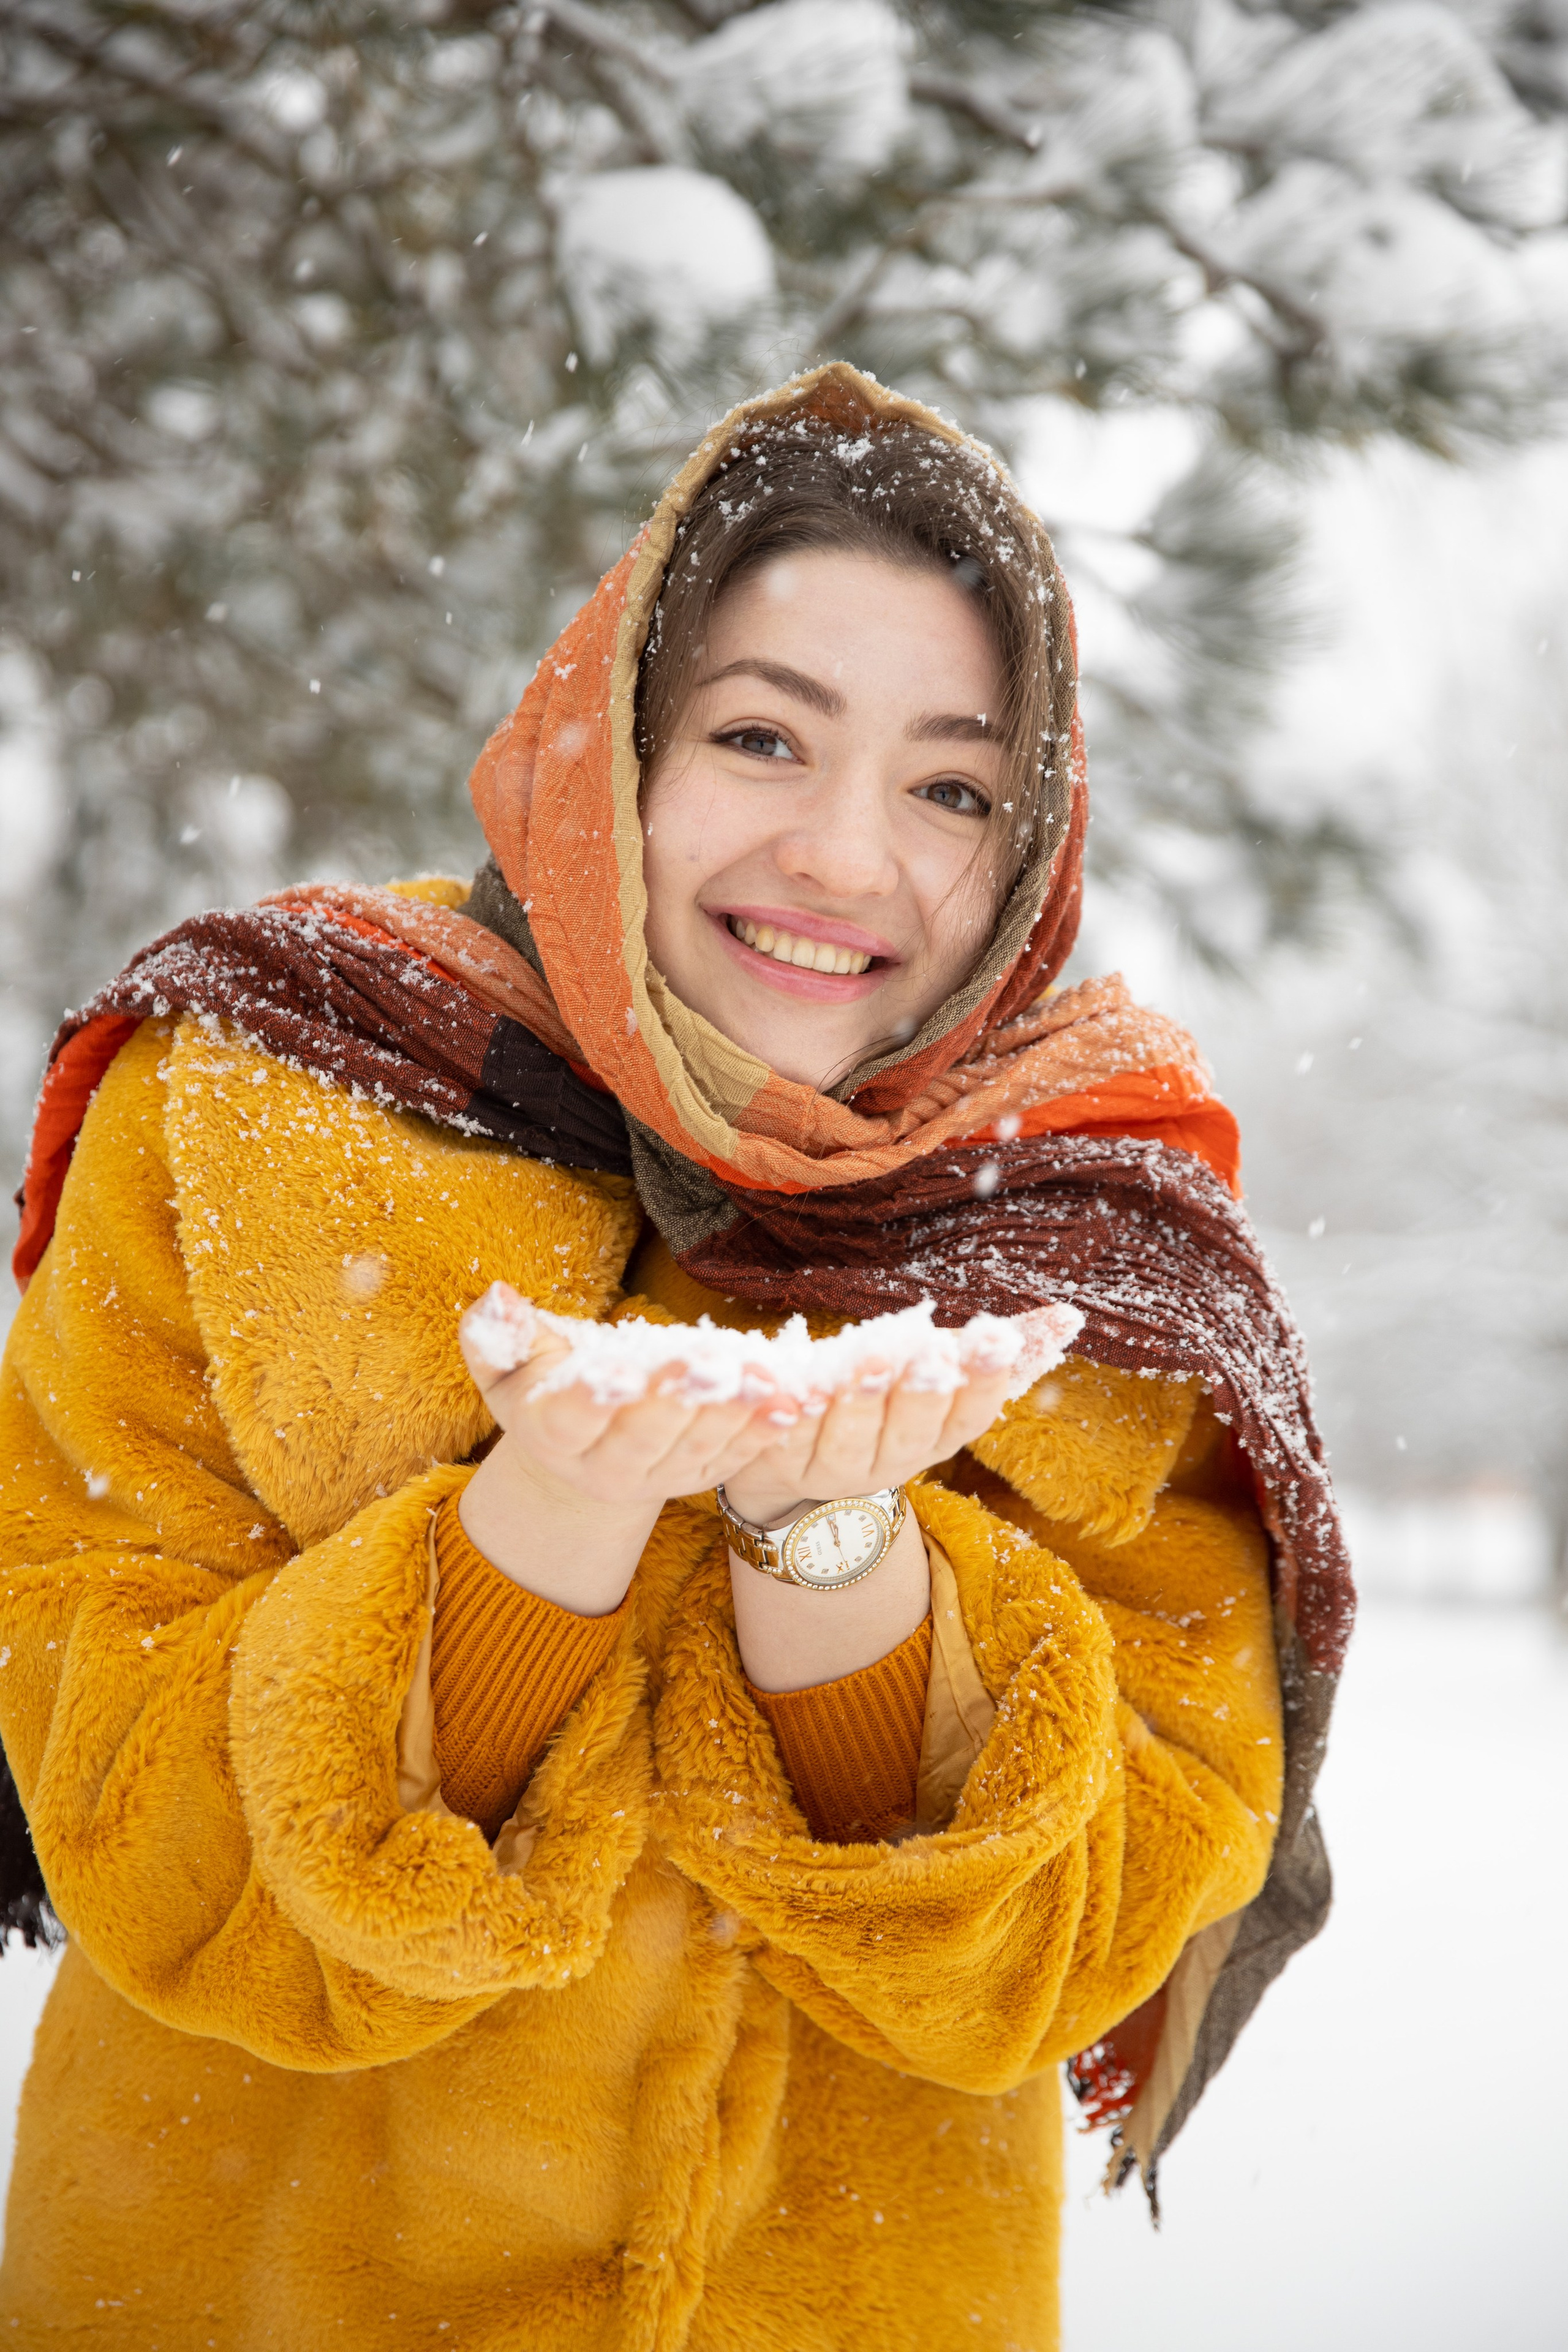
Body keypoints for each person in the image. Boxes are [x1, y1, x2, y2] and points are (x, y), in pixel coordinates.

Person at [0, 364, 1351, 2348]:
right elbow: (137, 1830)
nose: (843, 855)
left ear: (1033, 837)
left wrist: (846, 1565)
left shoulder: (1099, 1273)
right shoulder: (261, 1103)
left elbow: (1058, 1965)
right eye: (760, 737)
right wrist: (530, 1545)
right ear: (606, 747)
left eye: (953, 787)